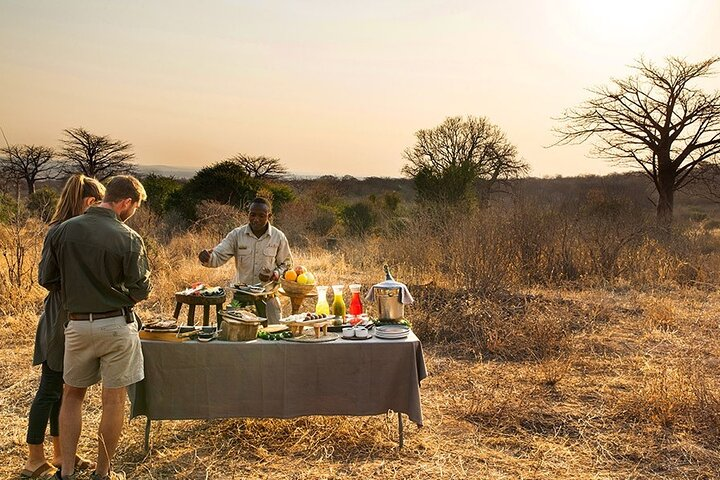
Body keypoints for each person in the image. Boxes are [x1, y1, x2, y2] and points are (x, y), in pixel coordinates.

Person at [41, 175, 151, 480]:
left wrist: (78, 291)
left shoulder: (62, 231)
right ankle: (103, 472)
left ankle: (65, 470)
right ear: (126, 202)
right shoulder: (128, 237)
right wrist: (117, 295)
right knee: (113, 400)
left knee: (72, 395)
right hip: (116, 324)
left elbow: (47, 279)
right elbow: (141, 290)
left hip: (76, 324)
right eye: (134, 207)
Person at [21, 175, 105, 480]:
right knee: (49, 388)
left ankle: (59, 454)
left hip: (72, 316)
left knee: (65, 390)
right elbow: (46, 278)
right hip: (60, 317)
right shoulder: (59, 231)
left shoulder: (75, 230)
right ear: (89, 202)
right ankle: (34, 458)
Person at [198, 197, 293, 322]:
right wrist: (207, 258)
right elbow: (219, 255)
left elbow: (287, 264)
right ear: (248, 214)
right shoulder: (237, 235)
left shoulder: (278, 237)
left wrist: (274, 274)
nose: (256, 219)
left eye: (261, 215)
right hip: (241, 298)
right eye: (252, 215)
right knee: (236, 336)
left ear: (269, 216)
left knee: (272, 337)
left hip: (268, 297)